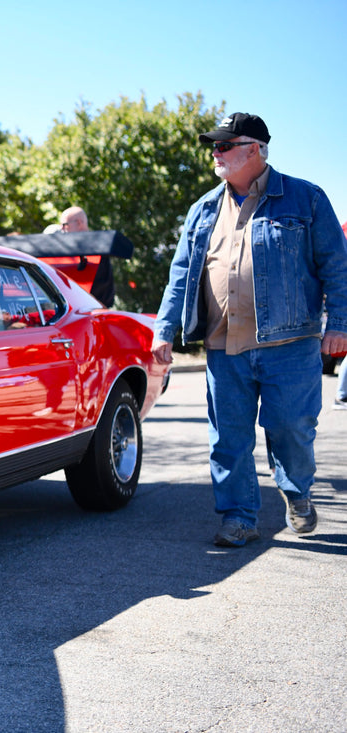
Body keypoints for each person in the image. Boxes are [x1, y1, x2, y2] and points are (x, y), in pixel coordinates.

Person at [151, 112, 347, 547]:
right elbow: (181, 274)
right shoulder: (203, 209)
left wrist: (340, 324)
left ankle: (296, 493)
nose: (215, 154)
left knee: (291, 428)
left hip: (290, 343)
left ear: (255, 149)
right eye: (214, 146)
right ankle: (239, 516)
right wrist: (164, 330)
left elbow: (338, 267)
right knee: (229, 439)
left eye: (225, 145)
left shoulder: (306, 198)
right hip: (224, 345)